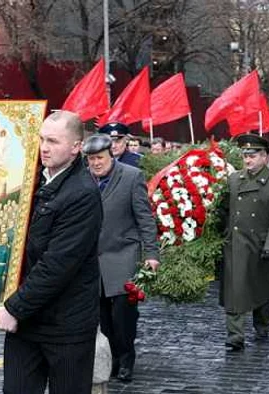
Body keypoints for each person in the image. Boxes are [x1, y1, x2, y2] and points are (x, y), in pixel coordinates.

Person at [0, 111, 103, 394]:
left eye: (53, 141)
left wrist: (14, 307)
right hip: (28, 321)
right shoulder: (32, 180)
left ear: (76, 147)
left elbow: (58, 264)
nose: (44, 147)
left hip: (66, 325)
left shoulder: (82, 193)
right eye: (41, 139)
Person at [82, 133, 160, 382]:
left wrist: (151, 254)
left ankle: (126, 358)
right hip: (94, 260)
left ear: (111, 154)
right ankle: (113, 358)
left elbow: (145, 219)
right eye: (91, 159)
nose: (96, 163)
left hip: (124, 256)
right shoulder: (83, 178)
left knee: (123, 316)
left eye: (100, 158)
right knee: (103, 317)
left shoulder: (131, 176)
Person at [217, 133, 269, 351]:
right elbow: (224, 210)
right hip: (235, 243)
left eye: (254, 155)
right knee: (234, 289)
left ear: (266, 156)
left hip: (259, 244)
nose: (248, 160)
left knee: (261, 290)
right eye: (245, 155)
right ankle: (235, 335)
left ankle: (263, 324)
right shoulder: (233, 179)